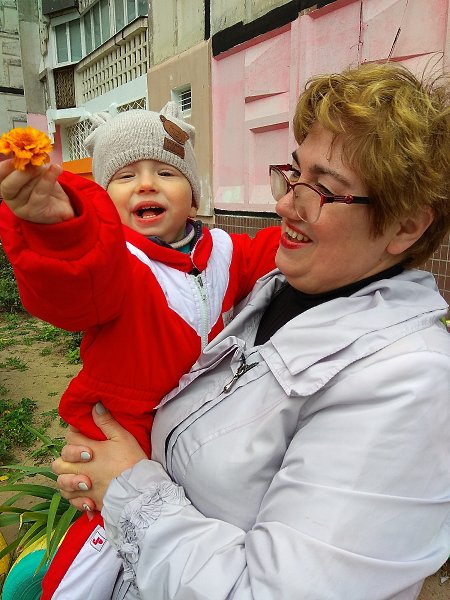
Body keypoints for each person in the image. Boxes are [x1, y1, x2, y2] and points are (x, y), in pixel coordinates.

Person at [54, 61, 450, 599]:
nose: (285, 203)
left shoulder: (408, 383)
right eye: (294, 174)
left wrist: (128, 487)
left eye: (323, 190)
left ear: (406, 225)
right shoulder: (275, 290)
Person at [0, 103, 280, 599]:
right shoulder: (115, 264)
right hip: (123, 430)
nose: (146, 184)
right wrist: (58, 231)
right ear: (104, 206)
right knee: (96, 559)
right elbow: (74, 286)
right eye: (125, 176)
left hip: (199, 426)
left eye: (166, 172)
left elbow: (278, 250)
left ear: (193, 198)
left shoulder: (225, 251)